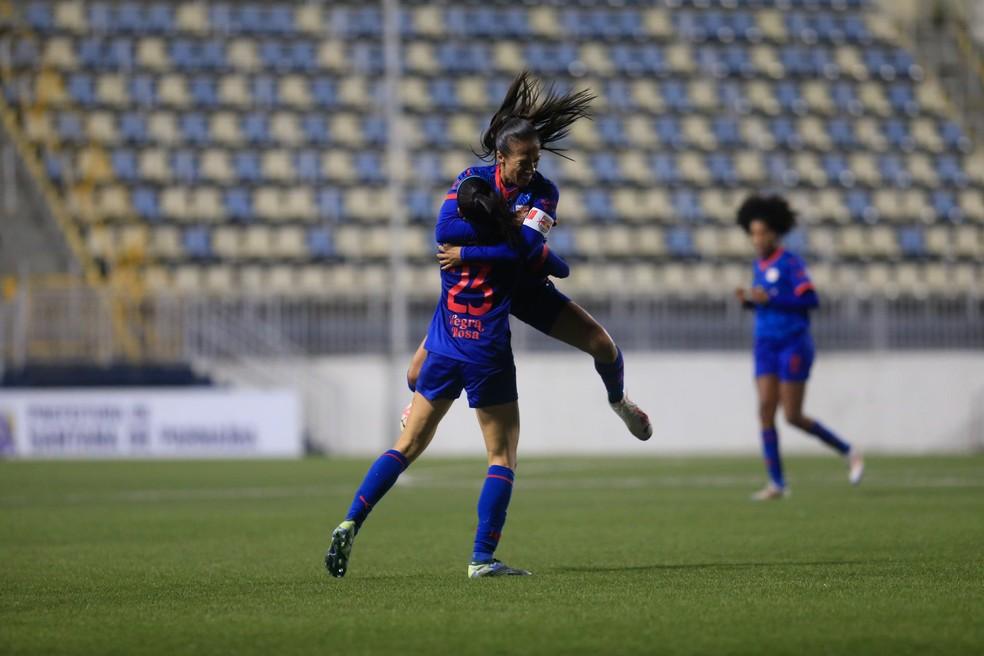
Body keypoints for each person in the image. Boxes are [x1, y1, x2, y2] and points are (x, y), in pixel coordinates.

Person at [325, 176, 570, 579]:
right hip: (485, 353)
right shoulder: (511, 249)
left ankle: (351, 519)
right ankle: (481, 558)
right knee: (501, 456)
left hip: (442, 348)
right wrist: (523, 226)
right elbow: (560, 268)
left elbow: (450, 222)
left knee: (404, 447)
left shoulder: (448, 249)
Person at [403, 71, 652, 442]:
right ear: (501, 157)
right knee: (413, 376)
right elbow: (445, 233)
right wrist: (509, 225)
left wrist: (474, 246)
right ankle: (419, 401)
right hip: (480, 289)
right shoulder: (473, 181)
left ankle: (619, 402)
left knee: (602, 345)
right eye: (526, 160)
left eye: (537, 160)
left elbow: (528, 249)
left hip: (524, 285)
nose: (532, 168)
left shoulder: (544, 192)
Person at [734, 194, 864, 500]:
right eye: (753, 233)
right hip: (765, 343)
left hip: (793, 343)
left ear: (775, 233)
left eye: (762, 232)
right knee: (765, 410)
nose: (757, 238)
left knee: (792, 415)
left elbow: (810, 300)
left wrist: (771, 299)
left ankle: (848, 450)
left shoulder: (790, 263)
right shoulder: (759, 266)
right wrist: (750, 303)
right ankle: (777, 484)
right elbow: (766, 303)